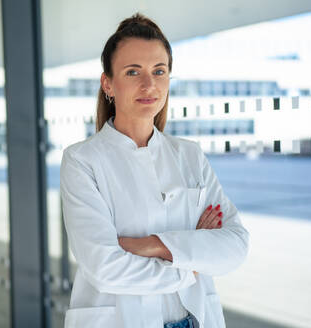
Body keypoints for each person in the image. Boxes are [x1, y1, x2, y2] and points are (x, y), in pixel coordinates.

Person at [60, 13, 249, 328]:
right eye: (133, 71)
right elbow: (105, 268)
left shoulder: (189, 155)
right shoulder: (82, 161)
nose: (149, 84)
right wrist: (192, 261)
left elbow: (235, 245)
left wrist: (154, 245)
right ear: (108, 83)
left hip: (198, 317)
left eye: (159, 71)